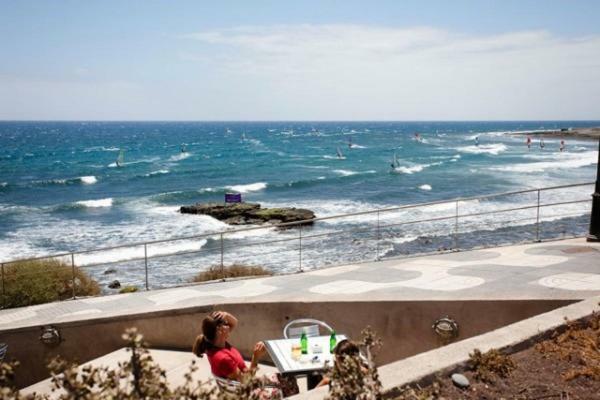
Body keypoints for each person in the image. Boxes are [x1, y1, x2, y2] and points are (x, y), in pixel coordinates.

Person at [192, 311, 298, 397]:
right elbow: (247, 381)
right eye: (225, 323)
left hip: (244, 384)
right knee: (285, 385)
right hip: (246, 393)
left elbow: (234, 322)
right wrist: (256, 356)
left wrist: (226, 315)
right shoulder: (222, 358)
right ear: (220, 330)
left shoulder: (218, 344)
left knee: (288, 377)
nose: (228, 325)